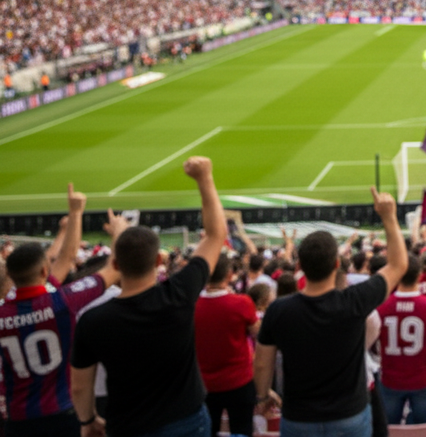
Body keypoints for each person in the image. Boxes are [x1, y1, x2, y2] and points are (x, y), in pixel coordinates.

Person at [71, 157, 228, 437]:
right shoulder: (178, 294)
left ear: (115, 265)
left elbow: (80, 385)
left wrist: (87, 420)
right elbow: (216, 235)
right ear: (159, 260)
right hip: (187, 421)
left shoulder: (92, 320)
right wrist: (205, 179)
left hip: (128, 425)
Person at [254, 188, 407, 437]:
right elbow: (399, 265)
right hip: (350, 417)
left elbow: (262, 363)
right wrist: (389, 217)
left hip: (299, 418)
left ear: (300, 266)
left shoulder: (279, 309)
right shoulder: (354, 301)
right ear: (337, 265)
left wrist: (262, 396)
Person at [1, 187, 122, 437]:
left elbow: (64, 260)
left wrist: (72, 219)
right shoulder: (63, 301)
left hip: (18, 419)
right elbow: (114, 268)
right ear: (45, 272)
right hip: (63, 413)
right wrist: (118, 232)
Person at [376, 256, 426, 425]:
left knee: (390, 428)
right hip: (423, 378)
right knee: (424, 429)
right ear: (420, 275)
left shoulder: (382, 306)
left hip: (390, 378)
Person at [196, 256, 262, 437]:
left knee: (209, 430)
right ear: (229, 274)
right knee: (242, 429)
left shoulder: (192, 305)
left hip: (205, 384)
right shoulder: (241, 303)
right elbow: (258, 332)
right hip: (239, 382)